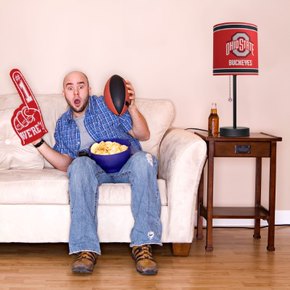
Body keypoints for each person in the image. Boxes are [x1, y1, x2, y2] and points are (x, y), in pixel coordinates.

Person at [32, 71, 162, 275]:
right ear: (64, 93)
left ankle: (143, 245)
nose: (76, 91)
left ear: (89, 89)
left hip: (127, 162)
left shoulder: (105, 105)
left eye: (81, 86)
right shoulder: (62, 125)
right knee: (79, 165)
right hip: (95, 169)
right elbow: (66, 163)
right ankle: (86, 249)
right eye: (70, 87)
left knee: (145, 160)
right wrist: (37, 142)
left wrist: (132, 106)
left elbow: (143, 134)